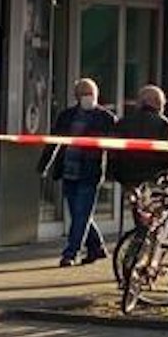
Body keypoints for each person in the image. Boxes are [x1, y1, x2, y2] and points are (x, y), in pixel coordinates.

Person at [42, 78, 115, 267]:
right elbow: (54, 141)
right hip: (68, 171)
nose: (88, 98)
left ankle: (70, 253)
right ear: (77, 97)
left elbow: (115, 147)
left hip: (90, 172)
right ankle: (96, 247)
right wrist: (45, 164)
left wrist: (115, 172)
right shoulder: (66, 116)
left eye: (90, 94)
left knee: (81, 214)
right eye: (84, 94)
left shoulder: (106, 118)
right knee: (78, 214)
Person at [111, 85, 168, 192]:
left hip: (127, 178)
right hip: (155, 180)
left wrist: (118, 174)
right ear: (157, 103)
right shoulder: (164, 125)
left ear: (140, 102)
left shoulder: (123, 123)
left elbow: (113, 153)